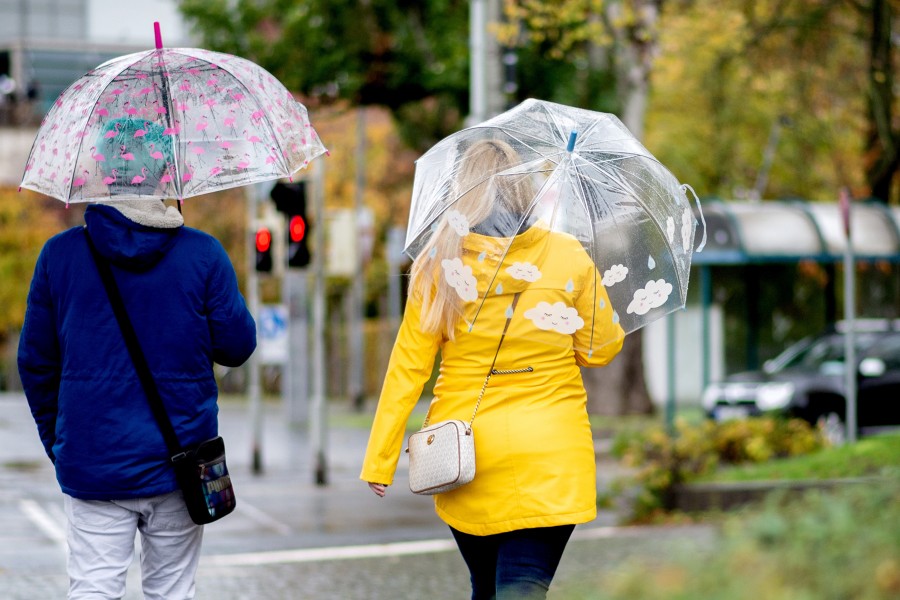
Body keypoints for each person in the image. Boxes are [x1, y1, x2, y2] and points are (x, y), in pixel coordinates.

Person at [361, 138, 625, 599]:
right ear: (526, 189)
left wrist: (380, 460)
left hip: (466, 455)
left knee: (484, 588)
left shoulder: (437, 266)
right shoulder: (567, 256)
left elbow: (407, 368)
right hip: (550, 456)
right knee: (521, 588)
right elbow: (601, 349)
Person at [17, 120, 257, 598]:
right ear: (166, 174)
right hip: (180, 460)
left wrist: (61, 441)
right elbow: (237, 346)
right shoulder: (203, 254)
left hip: (93, 460)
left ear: (100, 173)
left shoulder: (59, 256)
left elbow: (36, 364)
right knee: (172, 591)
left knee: (93, 589)